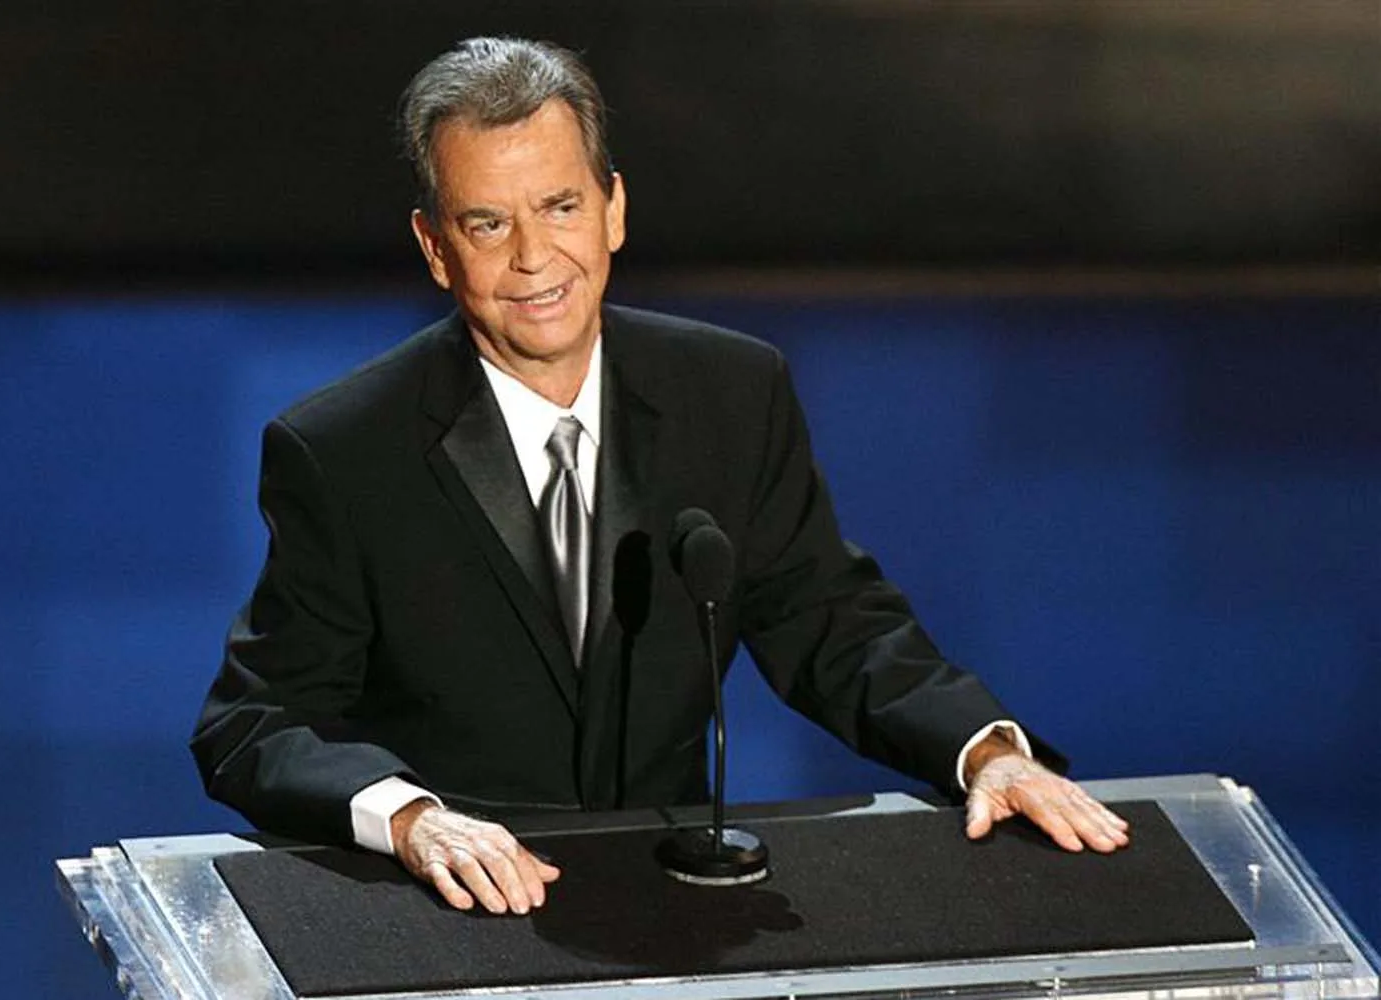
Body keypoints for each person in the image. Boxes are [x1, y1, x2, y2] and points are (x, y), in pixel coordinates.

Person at [192, 36, 1128, 917]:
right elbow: (257, 723)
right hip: (454, 919)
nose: (533, 257)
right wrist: (410, 820)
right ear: (437, 247)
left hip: (673, 913)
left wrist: (985, 751)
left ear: (614, 210)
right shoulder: (345, 447)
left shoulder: (731, 390)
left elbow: (829, 621)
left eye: (560, 207)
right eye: (488, 222)